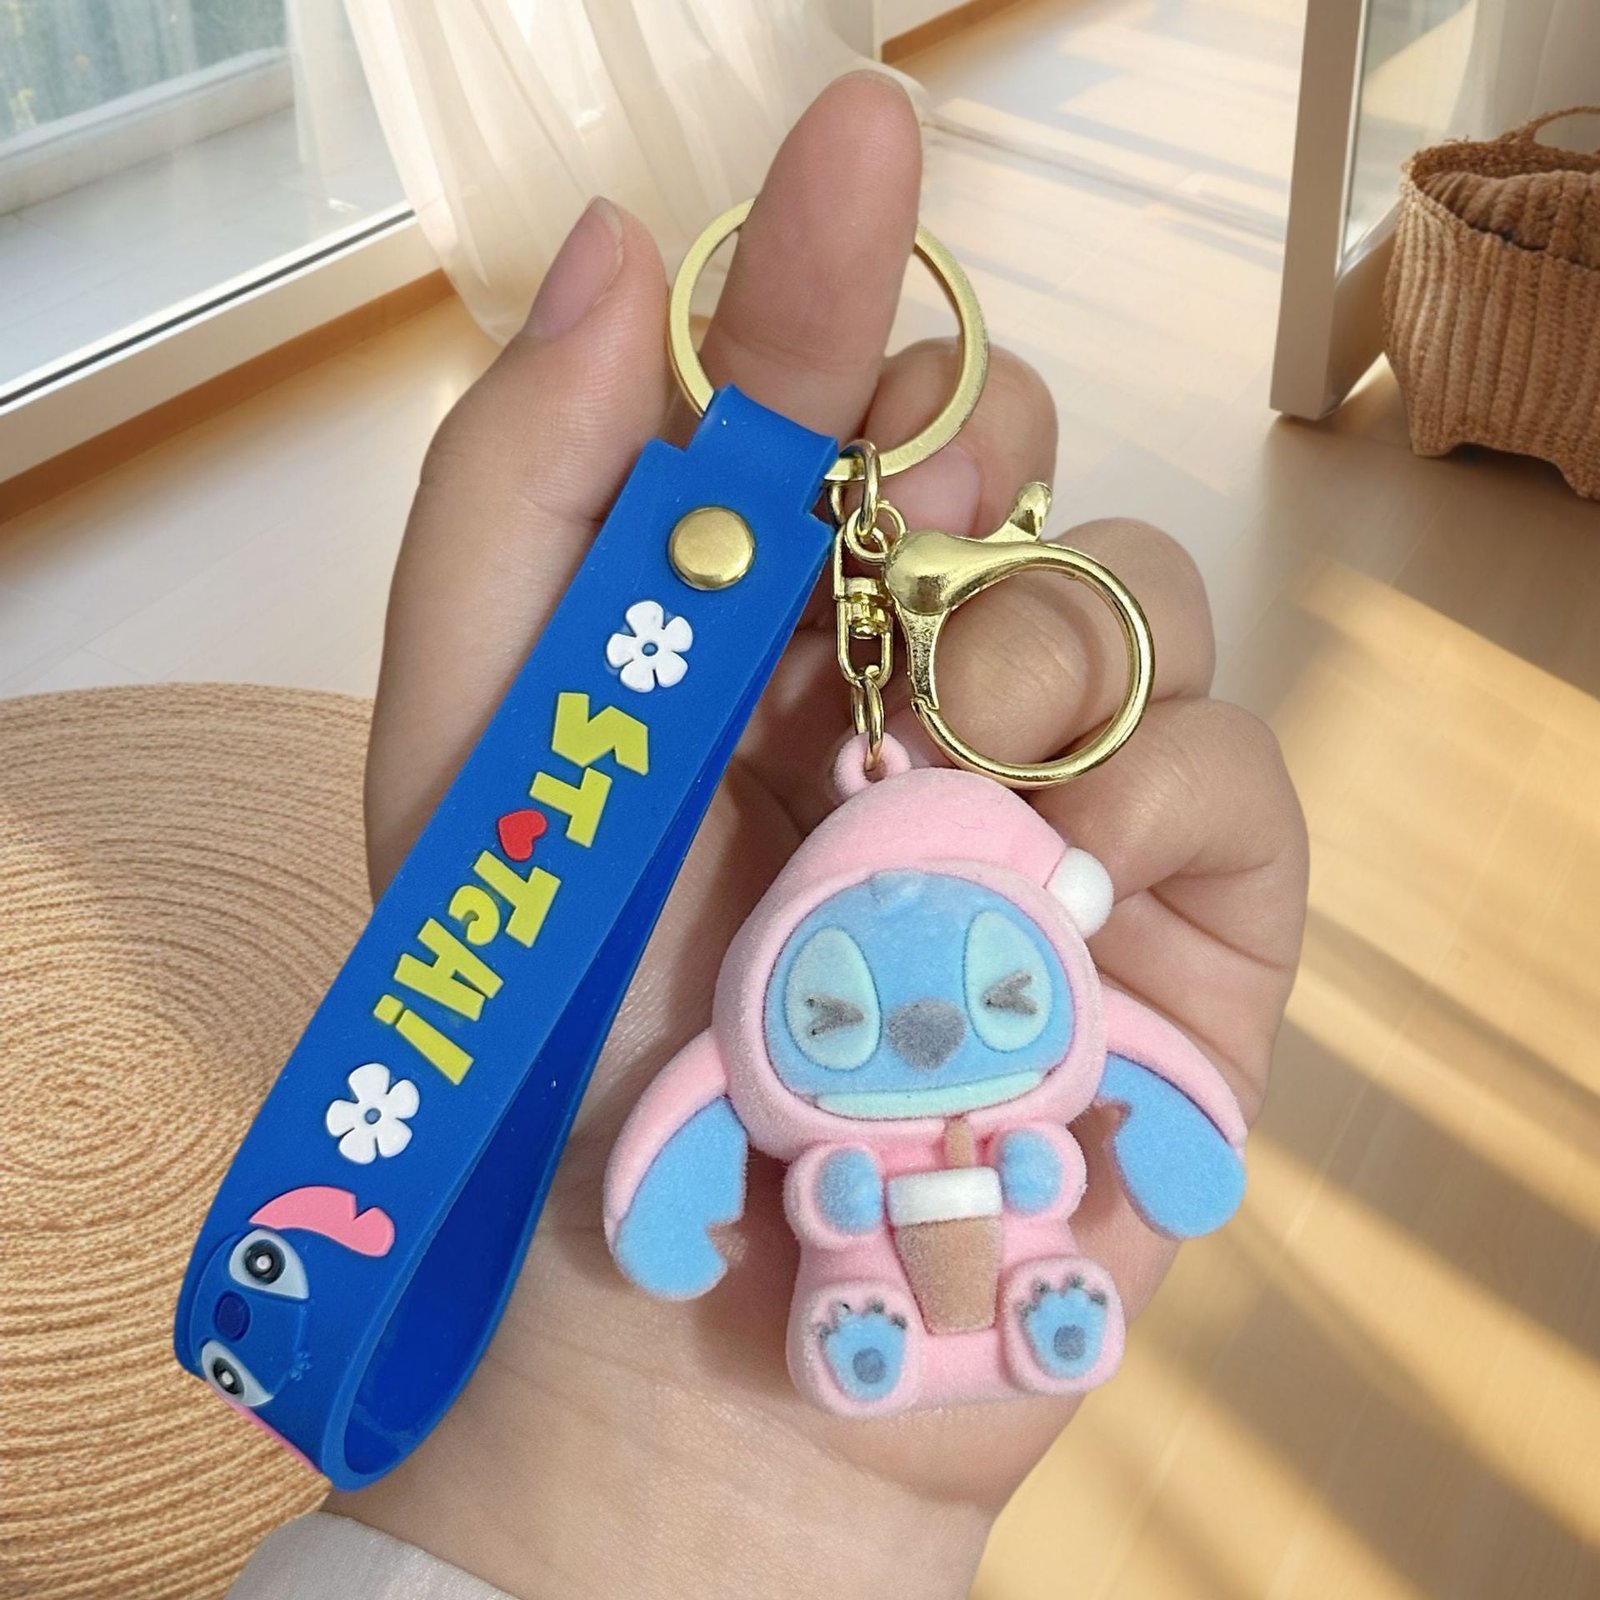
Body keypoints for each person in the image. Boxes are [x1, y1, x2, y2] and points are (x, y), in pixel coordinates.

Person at [228, 70, 1307, 1600]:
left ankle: (1020, 1308)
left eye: (1007, 991)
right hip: (810, 1264)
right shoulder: (772, 1043)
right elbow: (699, 1119)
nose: (926, 1029)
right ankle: (906, 1327)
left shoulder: (833, 1036)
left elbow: (1123, 1073)